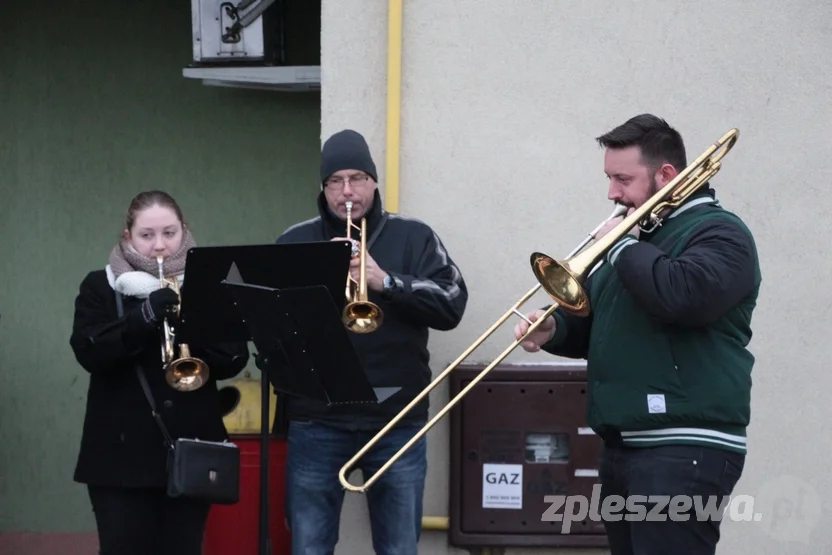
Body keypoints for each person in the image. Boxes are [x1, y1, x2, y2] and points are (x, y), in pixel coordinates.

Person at [514, 114, 761, 555]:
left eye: (623, 179)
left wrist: (623, 246)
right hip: (626, 445)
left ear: (666, 175)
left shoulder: (721, 233)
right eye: (609, 178)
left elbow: (683, 297)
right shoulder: (638, 241)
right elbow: (602, 325)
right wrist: (553, 328)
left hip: (685, 442)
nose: (612, 193)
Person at [273, 129, 468, 555]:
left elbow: (452, 305)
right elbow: (273, 332)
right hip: (317, 421)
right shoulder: (294, 242)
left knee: (398, 548)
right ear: (322, 188)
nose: (347, 191)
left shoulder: (414, 236)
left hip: (396, 419)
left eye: (358, 178)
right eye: (335, 181)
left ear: (374, 182)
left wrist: (386, 281)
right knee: (308, 547)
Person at [69, 190, 250, 555]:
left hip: (191, 451)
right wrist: (143, 318)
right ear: (128, 237)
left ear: (184, 231)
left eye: (169, 233)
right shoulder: (101, 287)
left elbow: (233, 359)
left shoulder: (209, 284)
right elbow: (89, 351)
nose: (159, 246)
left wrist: (192, 323)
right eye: (147, 235)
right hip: (119, 460)